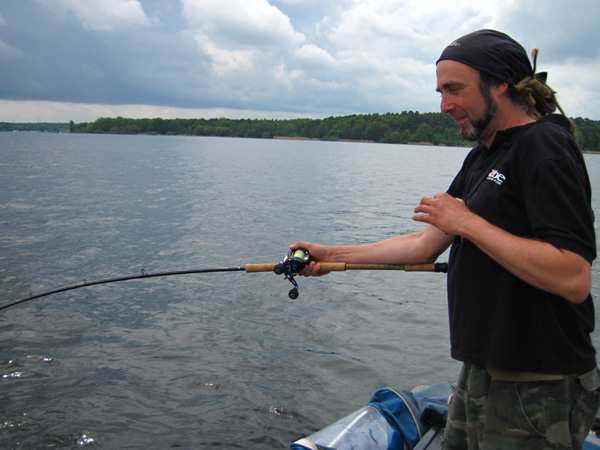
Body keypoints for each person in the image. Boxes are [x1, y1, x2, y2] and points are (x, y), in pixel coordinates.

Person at [291, 29, 600, 449]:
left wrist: (468, 223)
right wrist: (331, 255)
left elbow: (573, 275)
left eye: (455, 89)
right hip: (482, 370)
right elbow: (424, 245)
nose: (444, 104)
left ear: (500, 84)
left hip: (537, 384)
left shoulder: (545, 146)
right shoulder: (484, 154)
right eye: (440, 91)